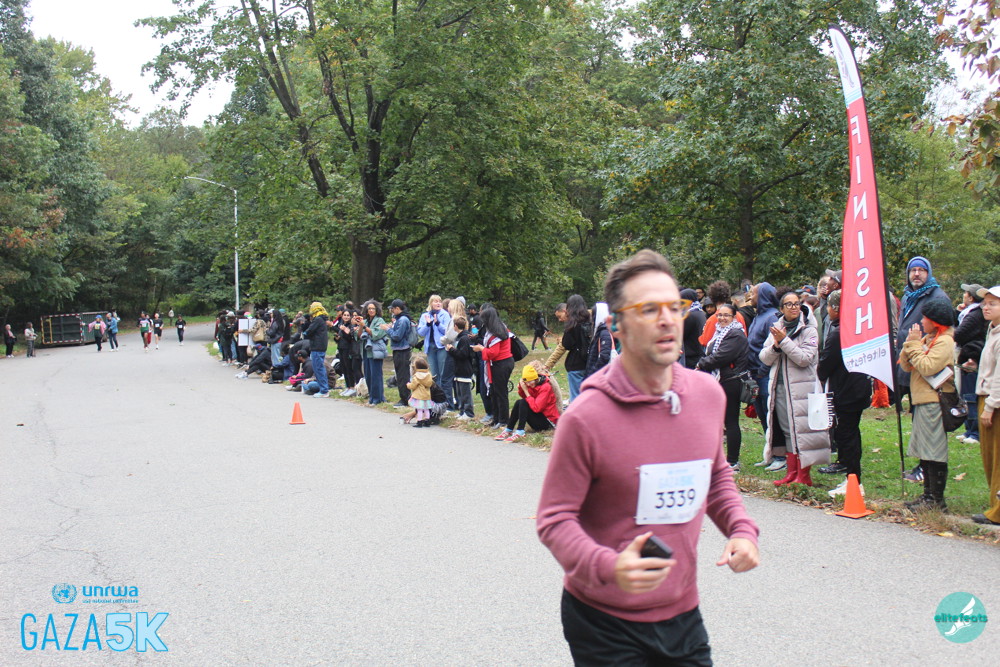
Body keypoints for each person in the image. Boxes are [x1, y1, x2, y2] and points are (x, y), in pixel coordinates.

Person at [537, 249, 759, 666]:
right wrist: (609, 566)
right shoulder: (586, 417)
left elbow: (715, 476)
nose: (667, 319)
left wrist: (741, 530)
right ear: (616, 326)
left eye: (674, 307)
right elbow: (554, 520)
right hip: (603, 620)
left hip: (682, 612)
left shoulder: (706, 396)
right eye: (649, 309)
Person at [759, 288, 830, 486]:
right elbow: (764, 357)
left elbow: (804, 359)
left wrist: (784, 341)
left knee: (802, 432)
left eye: (797, 303)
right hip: (780, 388)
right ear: (781, 309)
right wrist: (775, 346)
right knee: (787, 430)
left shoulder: (809, 330)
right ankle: (791, 472)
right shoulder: (776, 328)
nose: (793, 307)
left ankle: (804, 475)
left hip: (802, 389)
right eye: (788, 304)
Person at [900, 299, 956, 511]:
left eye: (925, 318)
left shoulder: (945, 342)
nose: (922, 321)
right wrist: (910, 344)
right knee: (925, 450)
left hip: (935, 401)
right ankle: (927, 495)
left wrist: (914, 346)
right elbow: (906, 366)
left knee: (934, 450)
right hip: (922, 399)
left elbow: (927, 367)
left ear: (935, 321)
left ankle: (936, 500)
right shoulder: (929, 338)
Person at [897, 257, 950, 482]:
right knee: (917, 418)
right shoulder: (908, 296)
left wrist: (917, 344)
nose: (916, 274)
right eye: (913, 270)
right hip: (910, 359)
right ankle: (923, 464)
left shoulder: (937, 296)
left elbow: (944, 329)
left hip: (928, 366)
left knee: (929, 422)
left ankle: (927, 468)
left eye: (921, 270)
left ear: (929, 273)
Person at [817, 290, 872, 496]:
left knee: (846, 435)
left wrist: (821, 371)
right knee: (852, 434)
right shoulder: (859, 329)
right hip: (859, 388)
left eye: (830, 307)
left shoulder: (839, 333)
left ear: (836, 308)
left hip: (845, 390)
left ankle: (853, 480)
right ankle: (852, 477)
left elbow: (826, 364)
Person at [696, 303, 749, 471]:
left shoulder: (736, 334)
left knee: (731, 421)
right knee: (720, 421)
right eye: (720, 315)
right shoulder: (720, 332)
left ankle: (733, 461)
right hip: (720, 380)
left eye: (726, 315)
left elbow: (721, 356)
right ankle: (718, 457)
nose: (722, 318)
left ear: (734, 317)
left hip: (731, 382)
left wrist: (701, 364)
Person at [746, 282, 783, 469]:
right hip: (755, 374)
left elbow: (775, 346)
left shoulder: (771, 317)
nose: (750, 297)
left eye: (753, 294)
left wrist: (762, 368)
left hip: (766, 373)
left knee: (772, 414)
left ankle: (781, 457)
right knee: (762, 413)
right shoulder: (758, 316)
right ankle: (770, 452)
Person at [972, 285, 1000, 525]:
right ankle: (994, 505)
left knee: (997, 457)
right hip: (986, 396)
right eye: (985, 303)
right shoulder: (992, 331)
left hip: (994, 401)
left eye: (993, 303)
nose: (986, 307)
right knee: (988, 456)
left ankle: (998, 511)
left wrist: (990, 406)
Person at [472, 305, 515, 428]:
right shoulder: (494, 329)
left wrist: (481, 349)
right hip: (496, 364)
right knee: (493, 391)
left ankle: (503, 420)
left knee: (500, 393)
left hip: (501, 364)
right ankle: (496, 419)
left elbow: (493, 353)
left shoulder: (497, 332)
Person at [955, 283, 987, 446]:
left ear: (971, 297)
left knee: (971, 397)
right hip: (968, 357)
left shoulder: (974, 315)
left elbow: (959, 334)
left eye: (966, 293)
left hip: (972, 357)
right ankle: (969, 429)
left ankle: (975, 432)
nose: (963, 295)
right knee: (966, 396)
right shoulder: (969, 313)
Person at [495, 363, 560, 442]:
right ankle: (509, 429)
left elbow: (537, 408)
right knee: (519, 402)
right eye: (526, 383)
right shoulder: (533, 384)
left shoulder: (545, 387)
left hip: (548, 422)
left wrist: (526, 391)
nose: (529, 384)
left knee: (523, 402)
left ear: (535, 378)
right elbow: (524, 397)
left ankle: (520, 431)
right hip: (539, 417)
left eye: (530, 382)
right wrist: (521, 387)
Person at [561, 295, 593, 403]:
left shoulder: (572, 324)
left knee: (576, 398)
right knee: (589, 395)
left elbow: (566, 344)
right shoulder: (591, 321)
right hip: (589, 362)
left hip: (575, 364)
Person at [417, 294, 451, 385]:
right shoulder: (425, 315)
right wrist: (427, 325)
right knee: (434, 374)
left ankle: (443, 392)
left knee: (442, 372)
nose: (438, 303)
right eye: (436, 301)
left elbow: (447, 331)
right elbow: (420, 333)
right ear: (431, 303)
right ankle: (436, 391)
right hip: (430, 346)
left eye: (440, 301)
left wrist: (438, 323)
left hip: (441, 346)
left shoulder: (445, 314)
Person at [446, 316, 475, 420]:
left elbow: (463, 354)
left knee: (465, 392)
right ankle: (462, 410)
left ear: (455, 326)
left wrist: (451, 350)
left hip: (464, 368)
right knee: (459, 392)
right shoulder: (460, 338)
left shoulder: (464, 338)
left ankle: (469, 413)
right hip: (458, 369)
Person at [359, 300, 388, 405]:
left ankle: (378, 398)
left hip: (376, 352)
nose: (371, 310)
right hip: (366, 351)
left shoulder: (380, 320)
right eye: (369, 309)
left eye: (373, 308)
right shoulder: (365, 321)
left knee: (376, 375)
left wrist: (365, 327)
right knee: (368, 375)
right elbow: (359, 336)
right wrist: (360, 326)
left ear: (377, 310)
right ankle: (371, 397)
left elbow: (376, 335)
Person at [385, 299, 413, 407]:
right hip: (398, 350)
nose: (391, 311)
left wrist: (387, 329)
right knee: (400, 374)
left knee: (403, 376)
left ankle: (405, 399)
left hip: (402, 350)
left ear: (397, 308)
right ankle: (404, 397)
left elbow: (397, 336)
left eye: (392, 309)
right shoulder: (399, 319)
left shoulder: (403, 320)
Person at [304, 302, 331, 397]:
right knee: (318, 368)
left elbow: (309, 331)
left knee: (318, 368)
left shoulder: (318, 319)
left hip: (317, 346)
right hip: (320, 346)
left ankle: (324, 390)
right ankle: (322, 388)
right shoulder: (322, 319)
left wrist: (305, 332)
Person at [334, 307, 361, 397]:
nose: (346, 317)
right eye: (344, 315)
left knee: (349, 368)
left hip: (348, 349)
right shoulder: (341, 324)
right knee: (344, 368)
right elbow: (339, 338)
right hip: (341, 348)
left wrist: (345, 331)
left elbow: (350, 338)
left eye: (348, 315)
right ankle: (348, 386)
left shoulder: (350, 325)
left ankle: (352, 387)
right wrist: (337, 338)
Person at [584, 302, 613, 379]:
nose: (591, 319)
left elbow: (604, 356)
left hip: (597, 376)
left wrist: (594, 372)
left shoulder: (604, 332)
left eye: (593, 315)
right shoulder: (600, 330)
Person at [679, 288, 706, 369]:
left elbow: (681, 335)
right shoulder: (700, 312)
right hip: (698, 353)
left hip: (690, 355)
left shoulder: (690, 315)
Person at [406, 356, 435, 427]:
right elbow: (430, 384)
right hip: (426, 396)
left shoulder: (416, 376)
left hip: (419, 396)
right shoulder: (429, 375)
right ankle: (427, 421)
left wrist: (408, 385)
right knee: (426, 409)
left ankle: (419, 421)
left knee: (419, 409)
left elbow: (413, 386)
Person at [543, 303, 569, 371]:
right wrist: (548, 365)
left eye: (559, 316)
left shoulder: (590, 317)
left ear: (565, 311)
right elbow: (562, 346)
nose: (559, 320)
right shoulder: (570, 325)